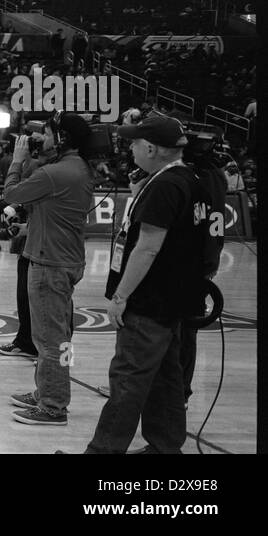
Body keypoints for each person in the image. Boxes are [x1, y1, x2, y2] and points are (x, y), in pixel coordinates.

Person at [84, 116, 217, 454]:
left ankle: (102, 451)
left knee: (127, 380)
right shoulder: (187, 180)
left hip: (148, 302)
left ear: (152, 148)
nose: (130, 148)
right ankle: (165, 445)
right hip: (172, 300)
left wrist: (121, 295)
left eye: (134, 143)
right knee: (165, 379)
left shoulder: (164, 186)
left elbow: (148, 246)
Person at [1, 113, 97, 426]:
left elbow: (11, 194)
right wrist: (32, 228)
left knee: (49, 339)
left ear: (64, 139)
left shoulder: (55, 173)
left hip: (50, 264)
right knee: (58, 336)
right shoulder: (77, 168)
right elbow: (60, 213)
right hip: (64, 257)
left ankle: (53, 405)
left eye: (49, 133)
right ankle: (46, 391)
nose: (42, 138)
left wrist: (17, 160)